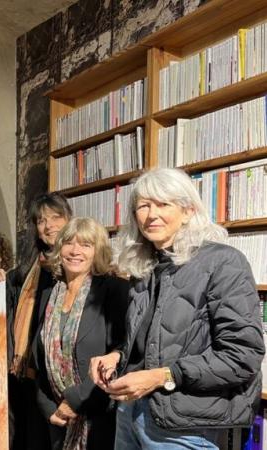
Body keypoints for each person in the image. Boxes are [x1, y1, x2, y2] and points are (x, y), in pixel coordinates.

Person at [90, 168, 265, 449]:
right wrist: (117, 356)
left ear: (188, 211)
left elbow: (243, 355)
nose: (151, 214)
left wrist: (162, 376)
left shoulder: (223, 262)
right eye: (143, 206)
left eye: (163, 204)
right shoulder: (145, 267)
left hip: (185, 424)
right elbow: (157, 343)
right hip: (131, 411)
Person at [33, 217, 128, 449]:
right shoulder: (48, 293)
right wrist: (50, 410)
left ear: (98, 252)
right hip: (58, 418)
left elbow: (122, 354)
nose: (75, 251)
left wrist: (73, 402)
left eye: (85, 245)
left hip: (98, 419)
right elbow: (39, 360)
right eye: (69, 243)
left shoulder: (114, 290)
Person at [8, 192, 72, 449]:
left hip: (57, 376)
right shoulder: (27, 269)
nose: (49, 226)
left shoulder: (76, 267)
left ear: (69, 220)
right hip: (26, 375)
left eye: (56, 218)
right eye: (42, 221)